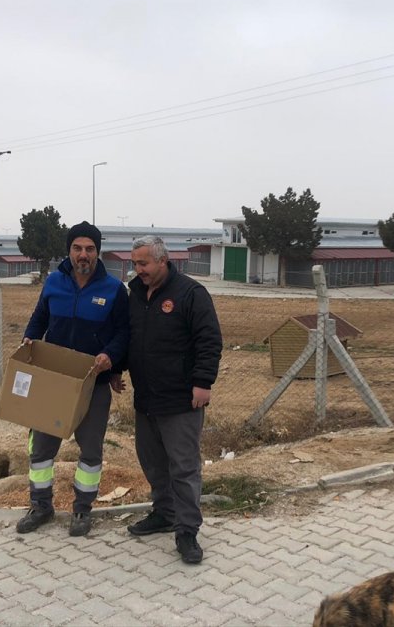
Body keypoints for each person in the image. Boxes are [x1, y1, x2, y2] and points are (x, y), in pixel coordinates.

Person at [16, 221, 129, 537]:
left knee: (91, 452)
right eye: (77, 248)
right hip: (52, 382)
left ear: (97, 252)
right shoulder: (54, 282)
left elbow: (124, 332)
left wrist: (110, 356)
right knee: (41, 450)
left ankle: (82, 509)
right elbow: (39, 318)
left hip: (93, 384)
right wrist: (29, 338)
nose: (83, 254)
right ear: (69, 251)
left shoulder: (114, 290)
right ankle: (41, 506)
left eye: (90, 249)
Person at [124, 235, 223, 564]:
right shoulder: (136, 295)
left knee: (183, 468)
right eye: (134, 264)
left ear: (162, 261)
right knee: (153, 463)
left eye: (143, 264)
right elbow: (130, 338)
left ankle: (187, 531)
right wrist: (116, 369)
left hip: (181, 400)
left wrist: (203, 382)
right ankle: (164, 514)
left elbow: (209, 339)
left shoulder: (191, 294)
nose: (138, 270)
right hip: (146, 399)